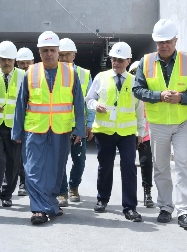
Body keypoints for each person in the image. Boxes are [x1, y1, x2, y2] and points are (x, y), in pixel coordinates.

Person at [12, 31, 85, 225]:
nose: (49, 54)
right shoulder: (31, 72)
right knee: (33, 170)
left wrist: (79, 128)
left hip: (61, 129)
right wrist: (16, 131)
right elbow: (21, 104)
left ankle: (51, 204)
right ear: (39, 52)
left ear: (58, 51)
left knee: (56, 170)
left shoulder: (70, 73)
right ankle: (38, 209)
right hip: (35, 129)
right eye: (45, 50)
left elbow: (78, 102)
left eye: (52, 50)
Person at [133, 18, 187, 228]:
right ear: (155, 42)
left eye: (168, 41)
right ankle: (165, 207)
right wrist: (158, 95)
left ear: (176, 40)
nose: (164, 45)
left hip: (182, 122)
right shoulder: (145, 62)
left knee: (183, 164)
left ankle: (184, 212)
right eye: (160, 42)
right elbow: (138, 89)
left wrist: (181, 97)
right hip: (158, 123)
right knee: (161, 167)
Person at [85, 42, 144, 222]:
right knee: (105, 167)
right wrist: (96, 105)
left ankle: (130, 207)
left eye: (120, 60)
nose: (116, 63)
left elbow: (139, 108)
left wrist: (140, 132)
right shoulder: (101, 77)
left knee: (129, 168)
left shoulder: (135, 82)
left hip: (127, 133)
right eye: (113, 59)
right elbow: (89, 99)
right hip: (104, 131)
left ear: (128, 61)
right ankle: (102, 199)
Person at [0, 41, 24, 209]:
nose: (6, 63)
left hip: (15, 127)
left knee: (14, 163)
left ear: (15, 60)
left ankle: (7, 195)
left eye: (10, 60)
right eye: (3, 59)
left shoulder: (24, 76)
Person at [57, 38, 95, 206]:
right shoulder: (52, 72)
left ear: (74, 55)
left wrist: (88, 124)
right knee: (60, 160)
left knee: (79, 160)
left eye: (67, 55)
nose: (64, 58)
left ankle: (74, 187)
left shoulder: (85, 74)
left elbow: (90, 101)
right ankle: (62, 191)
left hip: (78, 125)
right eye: (61, 55)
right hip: (59, 125)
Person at [129, 60, 154, 208]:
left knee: (146, 163)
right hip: (129, 132)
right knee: (129, 166)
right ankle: (130, 194)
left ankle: (147, 193)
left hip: (145, 134)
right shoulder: (128, 89)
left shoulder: (149, 89)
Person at [15, 47, 35, 196]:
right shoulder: (14, 77)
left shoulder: (36, 77)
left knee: (28, 157)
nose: (25, 66)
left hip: (32, 124)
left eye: (27, 63)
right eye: (22, 63)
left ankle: (25, 183)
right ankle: (19, 183)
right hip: (12, 123)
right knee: (14, 158)